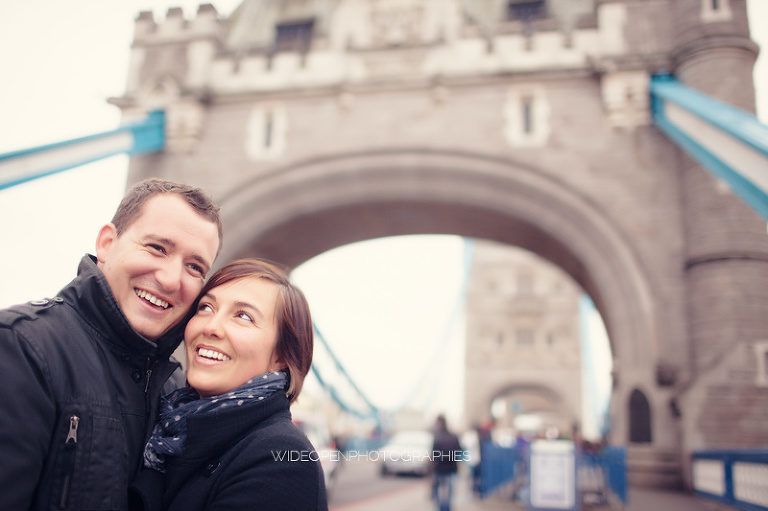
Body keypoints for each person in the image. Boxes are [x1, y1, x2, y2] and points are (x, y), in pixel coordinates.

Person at [0, 178, 223, 510]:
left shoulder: (178, 389)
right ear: (106, 243)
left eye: (194, 267)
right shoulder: (22, 347)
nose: (170, 279)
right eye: (157, 248)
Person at [129, 259, 328, 511]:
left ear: (281, 358)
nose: (211, 326)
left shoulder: (282, 459)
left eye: (244, 316)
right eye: (206, 307)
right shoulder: (169, 430)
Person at [431, 414, 463, 511]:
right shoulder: (454, 436)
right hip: (451, 468)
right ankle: (447, 508)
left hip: (439, 469)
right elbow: (459, 451)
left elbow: (433, 454)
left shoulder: (437, 436)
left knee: (438, 491)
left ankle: (441, 507)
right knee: (449, 493)